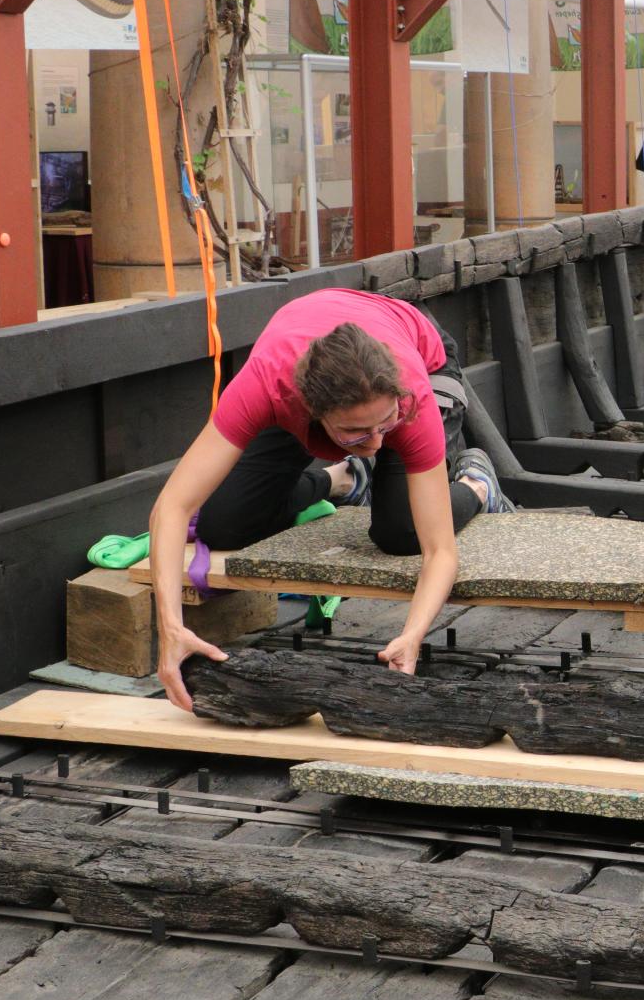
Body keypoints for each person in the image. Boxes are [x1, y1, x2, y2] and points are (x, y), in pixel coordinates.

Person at [149, 288, 512, 709]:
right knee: (224, 526)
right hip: (310, 369)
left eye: (383, 426)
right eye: (358, 434)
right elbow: (171, 508)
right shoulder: (267, 384)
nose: (377, 443)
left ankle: (476, 484)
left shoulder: (409, 399)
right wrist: (171, 628)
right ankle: (341, 479)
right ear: (312, 413)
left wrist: (412, 635)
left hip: (420, 357)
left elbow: (440, 552)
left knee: (401, 533)